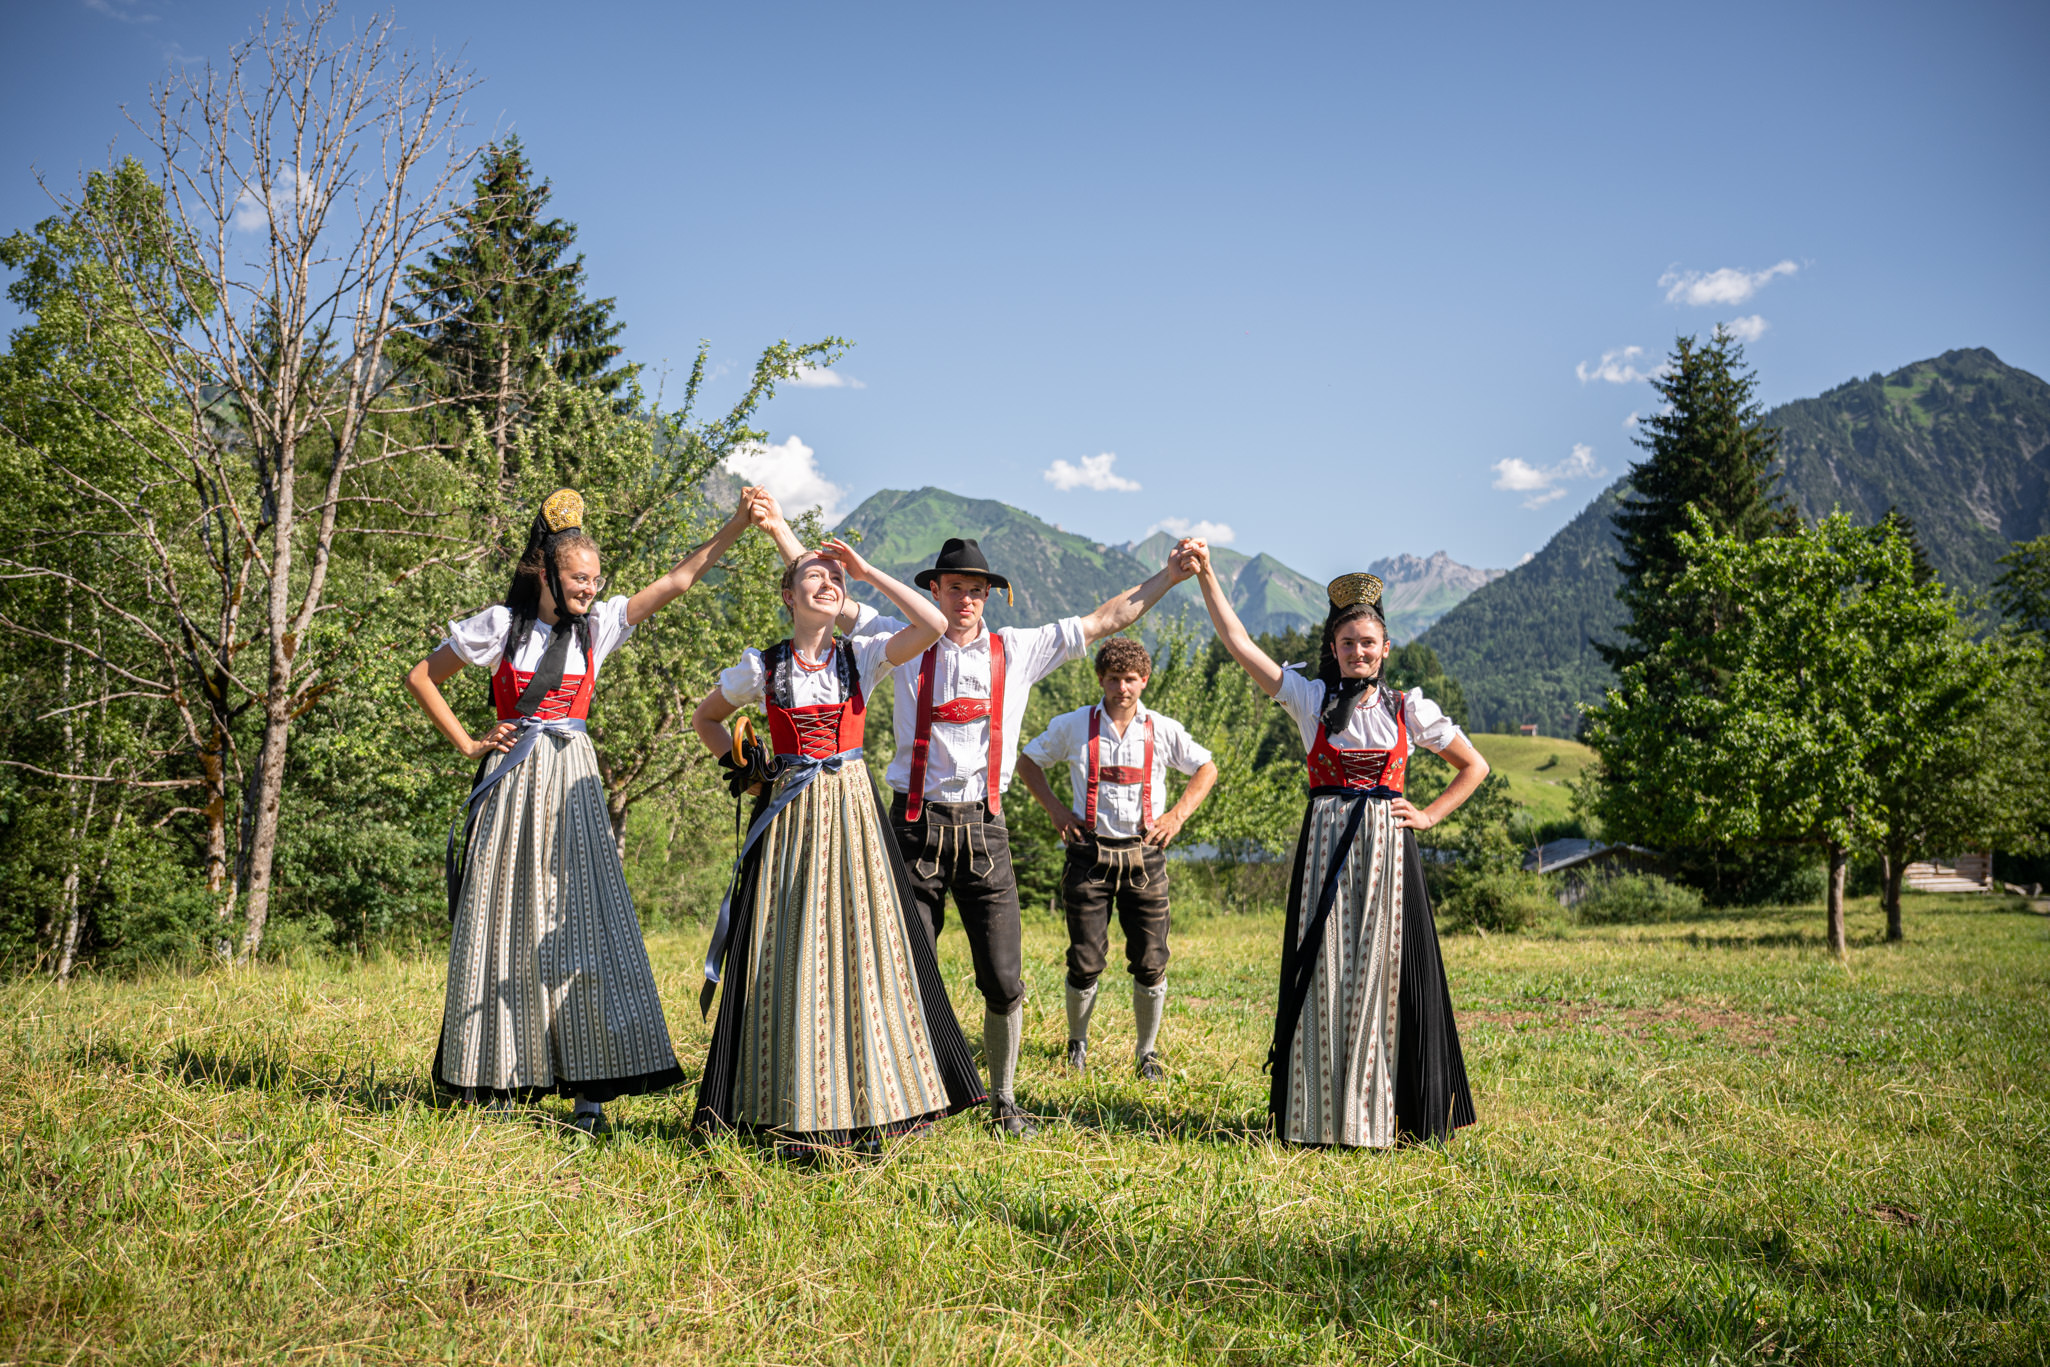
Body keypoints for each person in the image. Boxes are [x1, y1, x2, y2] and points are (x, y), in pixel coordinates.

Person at [744, 495, 1191, 1136]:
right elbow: (820, 594)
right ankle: (914, 1101)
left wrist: (1169, 577)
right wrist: (780, 530)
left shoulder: (1020, 648)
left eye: (977, 590)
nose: (966, 600)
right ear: (935, 590)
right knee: (903, 972)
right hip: (913, 825)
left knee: (1004, 978)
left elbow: (1105, 619)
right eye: (955, 588)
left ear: (989, 596)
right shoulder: (896, 636)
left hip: (985, 828)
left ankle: (1002, 1100)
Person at [405, 488, 760, 1135]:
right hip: (513, 784)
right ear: (547, 573)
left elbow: (678, 581)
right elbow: (422, 676)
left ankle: (590, 1093)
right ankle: (501, 1077)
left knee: (586, 927)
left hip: (574, 782)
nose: (590, 589)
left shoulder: (599, 627)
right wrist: (470, 743)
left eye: (595, 580)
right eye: (579, 579)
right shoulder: (501, 625)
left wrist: (736, 524)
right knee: (506, 924)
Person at [1178, 538, 1486, 1148]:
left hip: (1388, 853)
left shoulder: (1408, 708)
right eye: (1347, 643)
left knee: (1385, 973)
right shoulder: (1310, 699)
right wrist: (1207, 575)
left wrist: (1428, 815)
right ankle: (1317, 1120)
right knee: (1323, 971)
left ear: (1385, 648)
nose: (1358, 652)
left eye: (1368, 643)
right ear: (1334, 647)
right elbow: (1239, 644)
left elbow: (1473, 766)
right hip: (1324, 848)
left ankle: (1383, 1118)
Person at [688, 536, 985, 1155]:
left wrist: (867, 571)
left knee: (862, 948)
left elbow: (932, 624)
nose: (828, 584)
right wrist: (746, 771)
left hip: (852, 811)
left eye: (835, 579)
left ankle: (876, 1102)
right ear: (788, 595)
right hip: (790, 815)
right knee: (789, 949)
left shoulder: (864, 655)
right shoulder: (763, 667)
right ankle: (790, 1104)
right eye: (814, 577)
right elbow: (705, 718)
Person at [1016, 636, 1218, 1081]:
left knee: (1151, 958)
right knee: (1085, 958)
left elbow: (1207, 768)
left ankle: (1147, 1052)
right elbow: (1028, 762)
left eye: (1130, 679)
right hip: (1088, 855)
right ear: (1100, 679)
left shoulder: (1162, 729)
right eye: (1113, 679)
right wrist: (1055, 810)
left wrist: (1177, 816)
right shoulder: (1074, 725)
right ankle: (1077, 1044)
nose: (1121, 688)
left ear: (1144, 680)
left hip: (1145, 855)